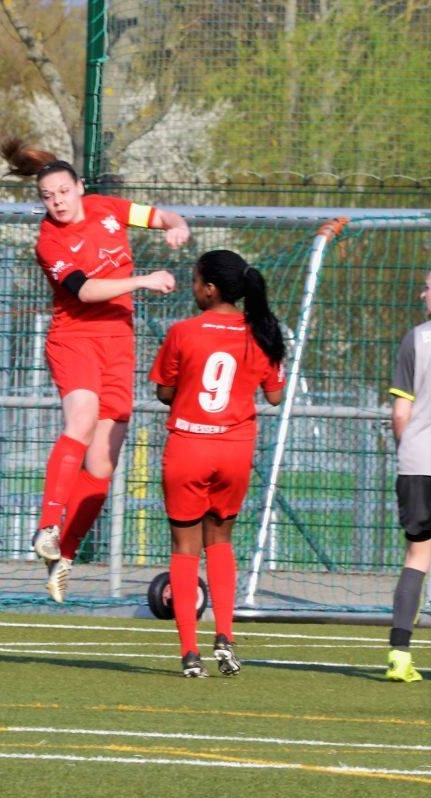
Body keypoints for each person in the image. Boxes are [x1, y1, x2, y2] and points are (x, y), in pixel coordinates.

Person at [0, 137, 190, 604]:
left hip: (118, 343)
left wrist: (177, 225)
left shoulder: (108, 208)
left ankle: (63, 556)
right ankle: (47, 525)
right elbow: (83, 291)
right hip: (75, 339)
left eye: (64, 192)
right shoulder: (49, 241)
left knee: (103, 463)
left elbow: (160, 216)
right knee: (81, 420)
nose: (58, 202)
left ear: (80, 187)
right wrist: (143, 280)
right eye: (48, 197)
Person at [149, 249, 286, 677]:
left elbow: (164, 392)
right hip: (234, 450)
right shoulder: (262, 332)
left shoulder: (183, 332)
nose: (192, 289)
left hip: (189, 446)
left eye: (195, 281)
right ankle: (225, 637)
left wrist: (188, 387)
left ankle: (190, 654)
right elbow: (275, 395)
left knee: (184, 548)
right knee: (221, 541)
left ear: (210, 289)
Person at [385, 269, 431, 683]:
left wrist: (410, 448)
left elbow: (401, 414)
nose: (422, 294)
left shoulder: (415, 339)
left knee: (417, 557)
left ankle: (399, 654)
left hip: (418, 463)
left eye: (428, 288)